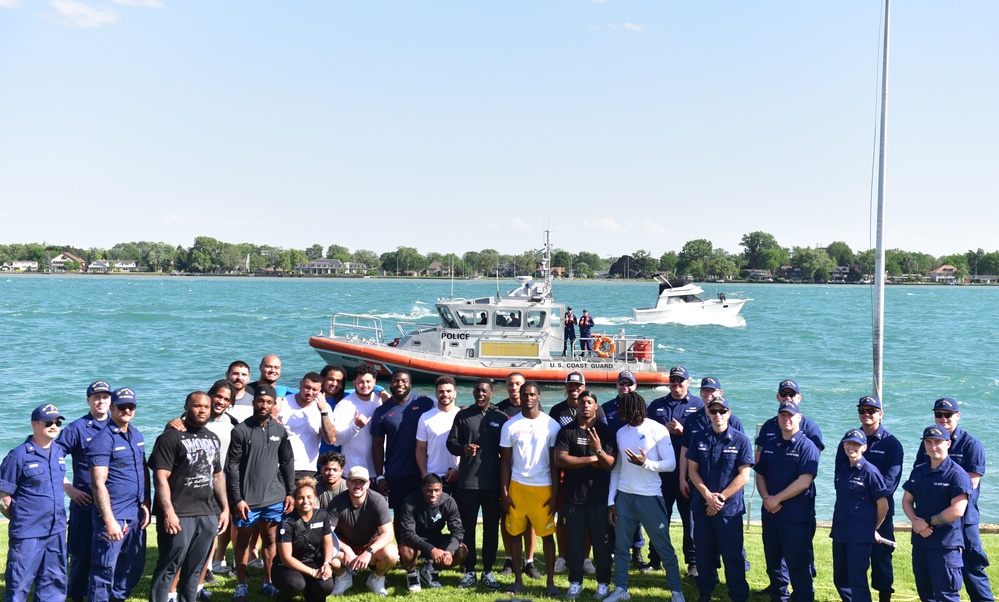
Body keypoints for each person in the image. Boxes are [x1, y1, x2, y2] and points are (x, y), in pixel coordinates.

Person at [149, 391, 229, 602]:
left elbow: (218, 476)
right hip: (179, 513)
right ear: (186, 407)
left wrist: (224, 509)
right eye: (196, 406)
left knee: (196, 567)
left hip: (206, 512)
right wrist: (168, 513)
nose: (202, 410)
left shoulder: (212, 438)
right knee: (169, 565)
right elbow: (160, 478)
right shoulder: (170, 437)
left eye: (206, 407)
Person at [605, 391, 685, 602]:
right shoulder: (621, 433)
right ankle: (621, 588)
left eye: (625, 409)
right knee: (621, 547)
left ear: (636, 408)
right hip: (624, 497)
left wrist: (645, 463)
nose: (622, 413)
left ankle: (676, 591)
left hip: (650, 497)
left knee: (663, 546)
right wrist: (611, 501)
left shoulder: (657, 429)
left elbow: (671, 464)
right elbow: (616, 469)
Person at [912, 397, 992, 602]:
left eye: (947, 414)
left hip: (964, 519)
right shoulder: (928, 443)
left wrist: (943, 509)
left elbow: (970, 485)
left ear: (958, 415)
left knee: (972, 568)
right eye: (938, 414)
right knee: (933, 574)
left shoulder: (971, 445)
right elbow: (919, 476)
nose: (943, 418)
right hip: (933, 519)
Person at [226, 383, 295, 601]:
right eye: (260, 401)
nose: (263, 405)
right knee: (243, 541)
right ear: (254, 402)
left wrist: (290, 492)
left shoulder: (279, 429)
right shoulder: (240, 430)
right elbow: (232, 467)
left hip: (274, 497)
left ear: (274, 405)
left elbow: (287, 462)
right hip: (247, 500)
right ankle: (241, 583)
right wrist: (237, 499)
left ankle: (268, 581)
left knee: (270, 539)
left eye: (268, 402)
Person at [833, 395, 903, 602]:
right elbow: (840, 476)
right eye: (862, 410)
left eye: (871, 410)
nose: (866, 414)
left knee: (881, 558)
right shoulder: (848, 440)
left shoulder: (892, 444)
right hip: (852, 512)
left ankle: (884, 598)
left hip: (879, 510)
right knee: (848, 568)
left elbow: (890, 482)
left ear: (880, 413)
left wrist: (869, 511)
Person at [686, 396, 753, 602]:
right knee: (703, 552)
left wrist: (720, 498)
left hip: (729, 510)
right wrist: (707, 495)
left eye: (722, 411)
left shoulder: (741, 440)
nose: (717, 415)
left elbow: (744, 476)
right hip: (702, 506)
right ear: (708, 413)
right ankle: (705, 592)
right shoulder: (698, 438)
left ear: (729, 414)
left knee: (732, 555)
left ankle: (738, 595)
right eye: (713, 411)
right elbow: (692, 470)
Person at [446, 374, 509, 590]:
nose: (480, 394)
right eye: (477, 390)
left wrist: (505, 487)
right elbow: (451, 443)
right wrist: (464, 448)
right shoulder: (463, 416)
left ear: (491, 393)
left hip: (492, 485)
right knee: (467, 529)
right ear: (473, 393)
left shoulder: (500, 418)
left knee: (491, 528)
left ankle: (488, 571)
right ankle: (469, 570)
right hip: (468, 484)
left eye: (484, 391)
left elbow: (507, 454)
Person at [87, 387, 150, 602]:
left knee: (132, 565)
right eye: (121, 406)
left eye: (131, 406)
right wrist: (109, 520)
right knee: (104, 568)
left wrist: (147, 503)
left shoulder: (136, 435)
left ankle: (117, 599)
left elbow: (143, 470)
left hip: (136, 512)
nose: (126, 410)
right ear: (112, 408)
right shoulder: (102, 440)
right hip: (114, 515)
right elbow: (97, 484)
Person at [1, 403, 69, 602]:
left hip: (56, 529)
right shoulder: (18, 455)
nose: (54, 426)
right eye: (49, 422)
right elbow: (3, 497)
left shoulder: (58, 453)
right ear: (35, 424)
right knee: (19, 582)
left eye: (57, 422)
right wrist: (22, 518)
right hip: (28, 532)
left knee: (54, 581)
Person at [753, 401, 820, 602]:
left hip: (795, 516)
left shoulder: (807, 446)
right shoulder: (772, 443)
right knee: (773, 562)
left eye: (790, 415)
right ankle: (779, 597)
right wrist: (766, 498)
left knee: (798, 563)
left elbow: (804, 481)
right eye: (782, 415)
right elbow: (760, 473)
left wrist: (776, 499)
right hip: (771, 513)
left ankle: (802, 598)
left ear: (799, 418)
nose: (786, 419)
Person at [500, 381, 561, 597]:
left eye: (532, 394)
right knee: (514, 534)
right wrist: (505, 492)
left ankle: (551, 582)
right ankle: (518, 580)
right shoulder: (510, 425)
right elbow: (505, 462)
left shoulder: (552, 425)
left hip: (543, 488)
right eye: (525, 394)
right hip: (517, 486)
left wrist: (555, 494)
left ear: (539, 397)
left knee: (547, 536)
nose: (528, 398)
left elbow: (555, 463)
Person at [555, 389, 616, 600]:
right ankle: (575, 582)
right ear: (577, 406)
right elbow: (561, 460)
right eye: (582, 402)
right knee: (573, 542)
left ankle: (603, 582)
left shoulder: (605, 432)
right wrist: (592, 460)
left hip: (598, 497)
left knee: (601, 543)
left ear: (596, 406)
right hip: (573, 497)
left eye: (589, 402)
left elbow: (610, 464)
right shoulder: (567, 431)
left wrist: (598, 450)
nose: (586, 405)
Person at [903, 424, 974, 602]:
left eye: (937, 442)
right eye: (928, 442)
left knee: (946, 596)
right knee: (925, 594)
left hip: (945, 547)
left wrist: (926, 522)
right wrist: (915, 521)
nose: (932, 446)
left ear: (948, 444)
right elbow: (906, 501)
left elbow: (957, 510)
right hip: (920, 543)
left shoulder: (957, 474)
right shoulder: (919, 471)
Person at [57, 380, 112, 602]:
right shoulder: (76, 428)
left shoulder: (118, 425)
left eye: (105, 397)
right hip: (85, 501)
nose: (101, 401)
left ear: (111, 401)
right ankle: (77, 595)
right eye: (96, 397)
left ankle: (106, 593)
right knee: (81, 553)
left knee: (109, 550)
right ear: (88, 400)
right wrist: (68, 488)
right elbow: (53, 458)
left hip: (113, 501)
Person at [646, 365, 703, 576]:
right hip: (661, 473)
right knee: (659, 518)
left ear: (688, 382)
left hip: (688, 473)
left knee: (690, 520)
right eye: (673, 381)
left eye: (681, 381)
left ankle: (693, 563)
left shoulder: (698, 405)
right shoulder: (656, 405)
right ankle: (655, 559)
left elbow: (703, 436)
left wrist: (682, 432)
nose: (676, 385)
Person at [548, 371, 607, 574]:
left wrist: (595, 458)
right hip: (566, 470)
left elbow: (603, 440)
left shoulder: (596, 411)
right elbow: (554, 444)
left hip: (591, 472)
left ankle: (585, 557)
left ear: (584, 387)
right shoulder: (557, 410)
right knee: (563, 516)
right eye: (571, 386)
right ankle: (562, 556)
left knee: (589, 516)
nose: (574, 389)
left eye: (578, 386)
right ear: (566, 387)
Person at [831, 428, 889, 602]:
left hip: (859, 535)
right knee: (840, 579)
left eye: (856, 444)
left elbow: (883, 506)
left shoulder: (870, 472)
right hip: (841, 532)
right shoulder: (843, 469)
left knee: (857, 580)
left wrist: (874, 528)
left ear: (864, 447)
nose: (851, 447)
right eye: (848, 443)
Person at [601, 370, 651, 571]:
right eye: (622, 383)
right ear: (617, 385)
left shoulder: (642, 407)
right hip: (613, 465)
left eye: (629, 383)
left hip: (636, 466)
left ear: (635, 386)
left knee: (636, 511)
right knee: (613, 509)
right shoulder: (605, 409)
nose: (625, 387)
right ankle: (612, 550)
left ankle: (637, 551)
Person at [492, 372, 540, 578]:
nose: (514, 388)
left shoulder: (534, 410)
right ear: (506, 387)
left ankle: (529, 561)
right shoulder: (498, 410)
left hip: (528, 474)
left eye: (518, 384)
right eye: (510, 384)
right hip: (504, 472)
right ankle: (510, 560)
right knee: (506, 517)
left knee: (529, 520)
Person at [328, 466, 399, 597]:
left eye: (362, 482)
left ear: (368, 484)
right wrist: (347, 549)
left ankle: (376, 579)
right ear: (347, 482)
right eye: (354, 481)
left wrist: (368, 551)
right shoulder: (337, 502)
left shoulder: (378, 500)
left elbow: (388, 534)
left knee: (392, 554)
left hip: (370, 546)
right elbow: (327, 534)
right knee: (325, 550)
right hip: (345, 549)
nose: (357, 485)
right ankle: (343, 577)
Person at [370, 370, 434, 513]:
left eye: (404, 381)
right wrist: (380, 476)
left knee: (425, 515)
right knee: (401, 515)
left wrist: (463, 410)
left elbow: (445, 407)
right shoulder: (381, 412)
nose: (400, 384)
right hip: (396, 472)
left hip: (423, 470)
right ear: (391, 384)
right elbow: (377, 446)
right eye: (395, 381)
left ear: (410, 384)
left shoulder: (425, 403)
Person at [398, 473, 468, 592]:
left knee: (462, 550)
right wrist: (432, 550)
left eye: (437, 490)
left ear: (441, 488)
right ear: (422, 489)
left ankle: (430, 570)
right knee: (405, 550)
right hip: (416, 542)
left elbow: (458, 531)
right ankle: (412, 575)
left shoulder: (449, 501)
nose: (433, 494)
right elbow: (407, 534)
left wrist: (449, 552)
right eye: (429, 490)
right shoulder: (410, 501)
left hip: (436, 539)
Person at [273, 476, 339, 602]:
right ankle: (282, 598)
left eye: (309, 497)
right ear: (295, 501)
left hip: (313, 561)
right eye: (300, 498)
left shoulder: (323, 516)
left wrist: (326, 564)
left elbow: (328, 544)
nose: (305, 501)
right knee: (295, 584)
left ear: (315, 498)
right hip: (287, 567)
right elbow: (286, 559)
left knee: (326, 586)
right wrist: (313, 572)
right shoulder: (286, 523)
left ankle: (310, 595)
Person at [280, 372, 336, 482]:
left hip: (306, 468)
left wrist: (323, 411)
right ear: (300, 384)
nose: (309, 392)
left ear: (320, 390)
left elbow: (331, 439)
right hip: (279, 465)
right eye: (307, 387)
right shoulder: (284, 403)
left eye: (314, 390)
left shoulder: (324, 408)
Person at [331, 364, 383, 475]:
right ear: (354, 382)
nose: (365, 385)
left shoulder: (381, 401)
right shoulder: (344, 405)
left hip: (380, 470)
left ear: (374, 381)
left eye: (368, 381)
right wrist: (356, 426)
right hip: (353, 470)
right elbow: (337, 441)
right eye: (360, 381)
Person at [415, 376, 462, 492]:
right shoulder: (425, 417)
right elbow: (420, 448)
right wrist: (424, 474)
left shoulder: (464, 416)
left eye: (449, 391)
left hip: (459, 475)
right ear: (436, 394)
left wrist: (459, 469)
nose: (445, 394)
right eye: (441, 391)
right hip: (434, 477)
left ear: (455, 394)